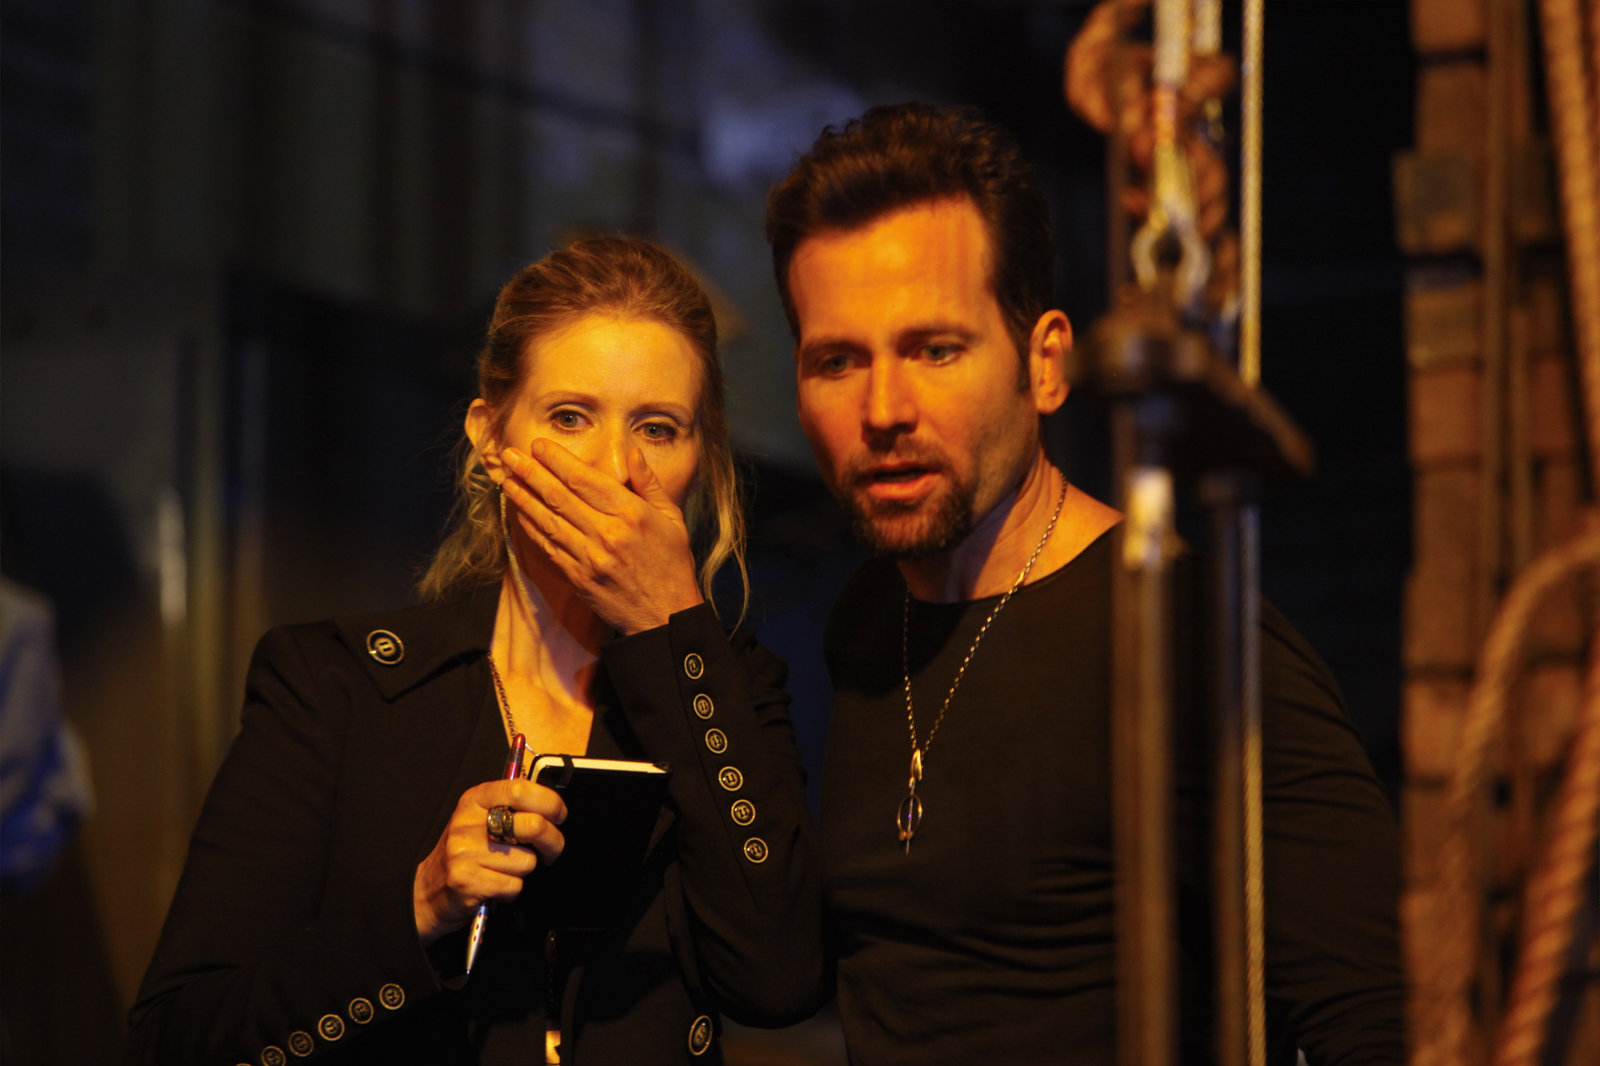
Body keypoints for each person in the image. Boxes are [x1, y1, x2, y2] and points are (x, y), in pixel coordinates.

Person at [765, 103, 1405, 1064]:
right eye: (838, 361)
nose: (884, 409)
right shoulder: (867, 622)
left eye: (935, 350)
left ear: (1046, 364)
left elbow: (1387, 1022)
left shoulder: (1186, 636)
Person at [126, 236, 825, 1065]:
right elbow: (179, 1039)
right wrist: (420, 906)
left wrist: (673, 630)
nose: (615, 469)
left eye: (658, 428)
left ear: (699, 460)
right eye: (571, 417)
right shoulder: (338, 687)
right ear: (492, 438)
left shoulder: (726, 690)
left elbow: (778, 980)